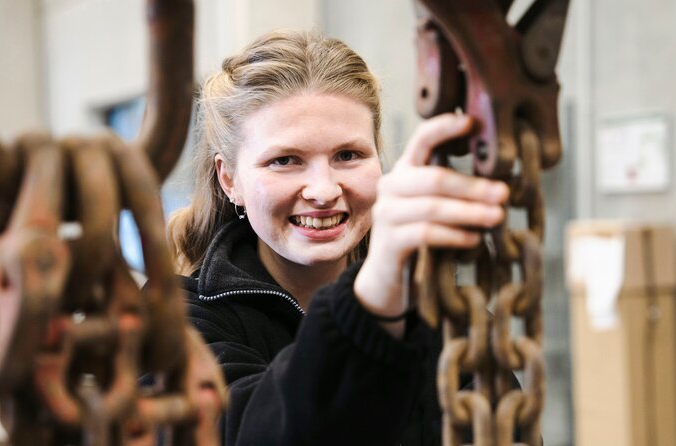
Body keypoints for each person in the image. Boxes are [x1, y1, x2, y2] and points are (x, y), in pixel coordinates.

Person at [167, 30, 508, 445]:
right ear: (229, 178)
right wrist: (371, 306)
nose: (324, 190)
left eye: (348, 155)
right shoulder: (179, 325)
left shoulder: (446, 317)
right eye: (285, 160)